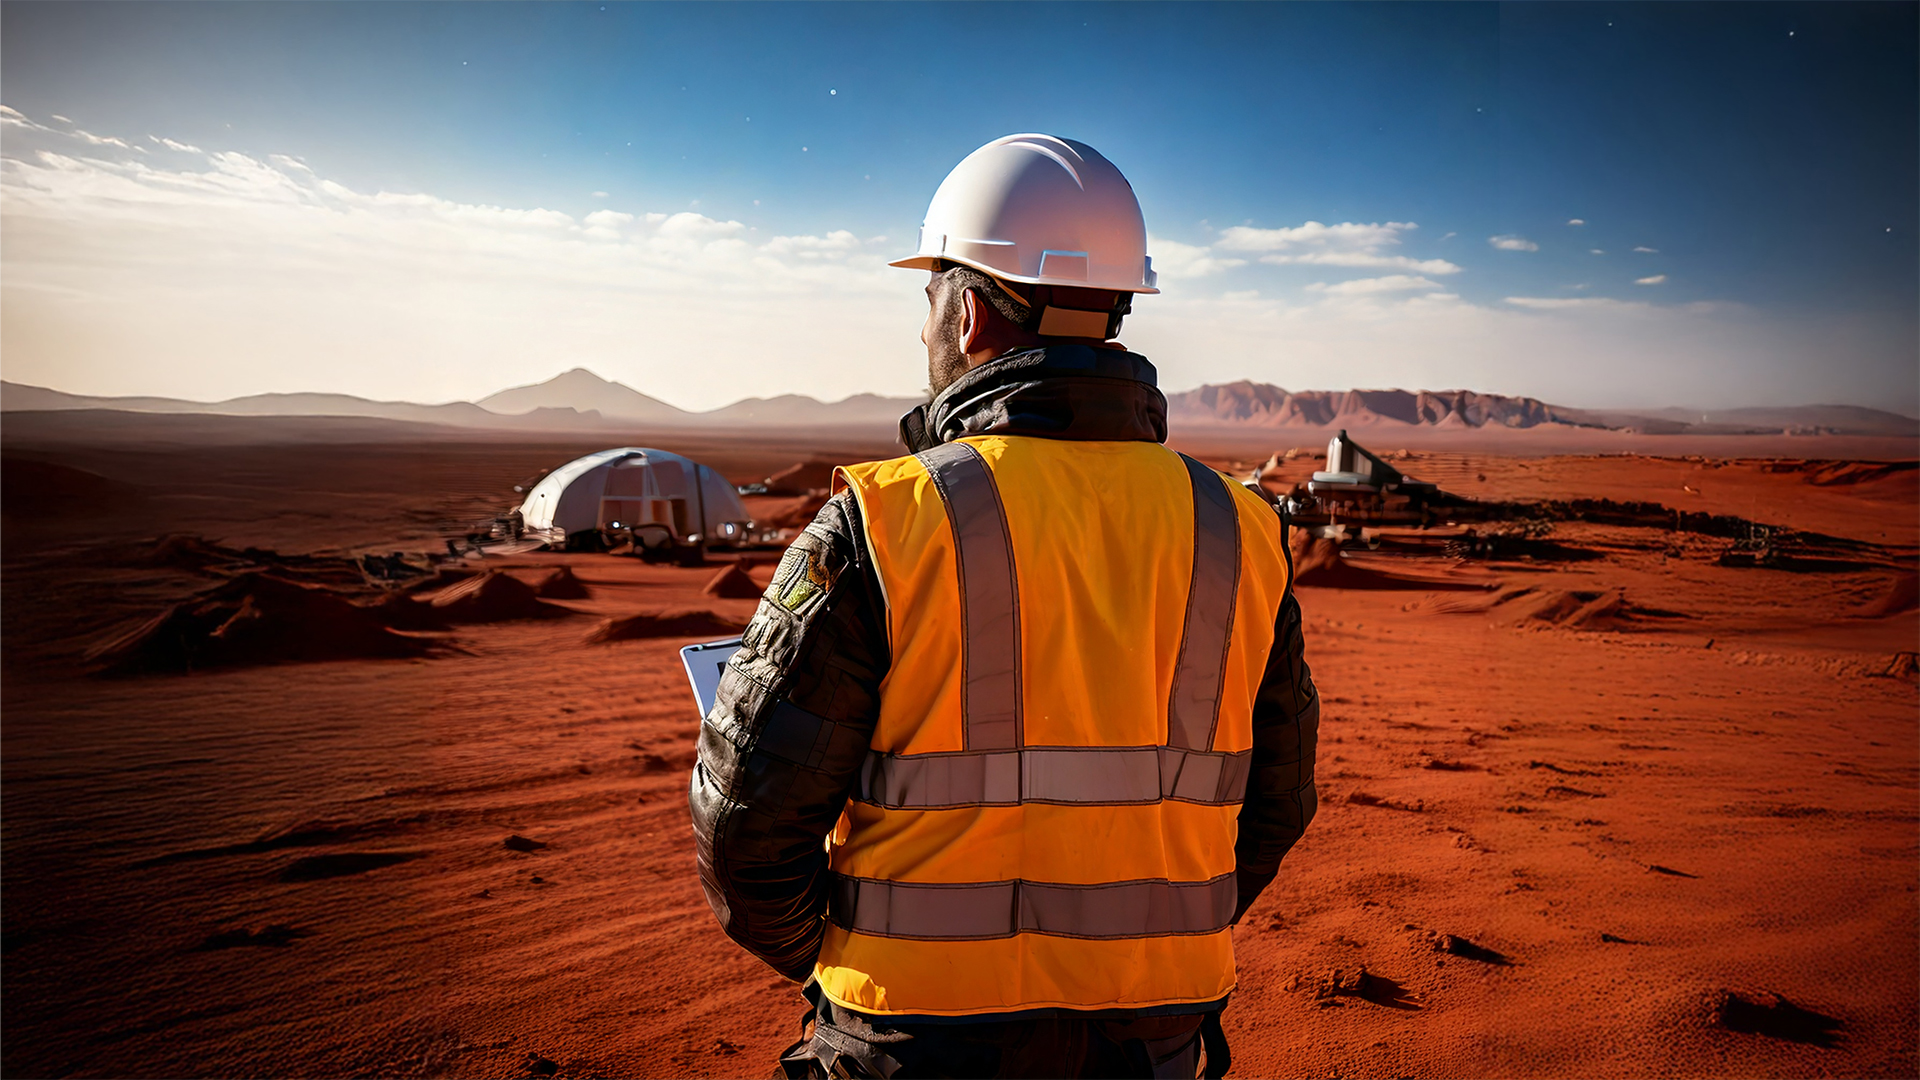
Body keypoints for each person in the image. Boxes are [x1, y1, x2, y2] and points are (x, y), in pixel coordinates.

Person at [690, 134, 1320, 1079]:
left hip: (914, 1041)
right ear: (1114, 309)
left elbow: (747, 827)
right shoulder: (1242, 528)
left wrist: (837, 961)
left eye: (931, 296)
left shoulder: (883, 521)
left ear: (972, 312)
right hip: (1153, 1041)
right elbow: (1276, 802)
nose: (924, 329)